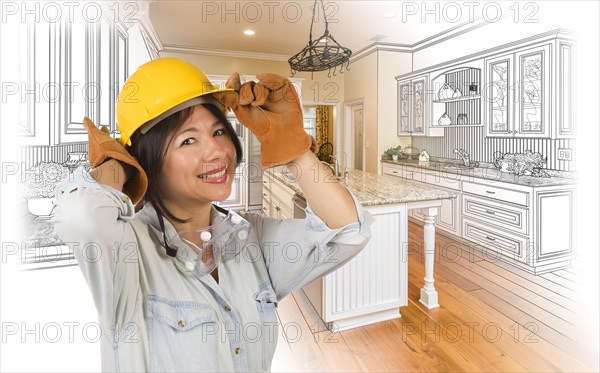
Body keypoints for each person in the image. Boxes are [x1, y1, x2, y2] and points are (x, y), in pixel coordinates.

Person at [53, 57, 374, 372]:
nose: (216, 151)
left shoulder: (250, 237)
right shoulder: (126, 251)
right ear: (146, 159)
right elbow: (81, 218)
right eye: (188, 140)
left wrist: (295, 148)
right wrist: (116, 167)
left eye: (219, 132)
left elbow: (348, 231)